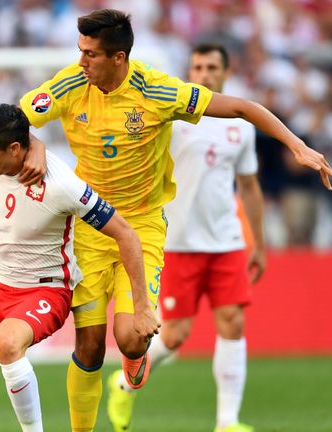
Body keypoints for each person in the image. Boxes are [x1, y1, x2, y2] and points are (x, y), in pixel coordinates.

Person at [0, 9, 332, 431]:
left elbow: (243, 108)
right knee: (90, 345)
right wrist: (34, 143)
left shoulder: (157, 91)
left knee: (131, 336)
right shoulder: (69, 84)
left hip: (141, 224)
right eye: (80, 51)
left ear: (118, 58)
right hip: (89, 224)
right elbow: (8, 129)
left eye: (91, 54)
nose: (81, 62)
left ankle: (136, 357)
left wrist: (297, 145)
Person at [0, 89, 159, 432]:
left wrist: (142, 306)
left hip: (45, 291)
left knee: (7, 342)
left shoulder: (61, 184)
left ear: (13, 149)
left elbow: (126, 233)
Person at [106, 44, 265, 432]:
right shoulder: (173, 118)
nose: (205, 73)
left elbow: (248, 185)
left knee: (232, 322)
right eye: (198, 66)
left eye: (213, 66)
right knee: (175, 334)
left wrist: (257, 242)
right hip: (176, 242)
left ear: (226, 72)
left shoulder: (240, 124)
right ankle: (123, 383)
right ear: (189, 71)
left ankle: (227, 422)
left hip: (226, 241)